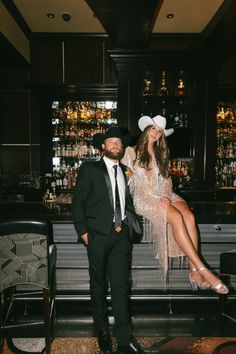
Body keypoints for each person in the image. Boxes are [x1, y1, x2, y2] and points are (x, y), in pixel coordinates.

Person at [121, 115, 229, 294]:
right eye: (154, 129)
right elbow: (122, 178)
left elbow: (166, 180)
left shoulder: (161, 153)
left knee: (189, 216)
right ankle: (202, 270)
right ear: (146, 129)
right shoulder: (130, 152)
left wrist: (165, 195)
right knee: (177, 218)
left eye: (160, 131)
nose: (156, 134)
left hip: (165, 194)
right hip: (144, 197)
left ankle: (192, 270)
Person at [72, 127, 146, 354]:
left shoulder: (127, 171)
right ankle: (102, 331)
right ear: (102, 146)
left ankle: (124, 337)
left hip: (121, 236)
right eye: (110, 142)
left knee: (121, 286)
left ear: (123, 147)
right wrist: (84, 233)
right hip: (96, 236)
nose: (115, 145)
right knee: (98, 285)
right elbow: (78, 203)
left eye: (118, 142)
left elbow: (131, 202)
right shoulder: (90, 169)